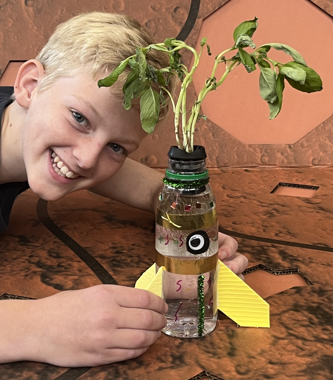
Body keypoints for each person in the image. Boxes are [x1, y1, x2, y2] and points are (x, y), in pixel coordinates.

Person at [0, 12, 248, 367]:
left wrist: (191, 232)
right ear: (29, 85)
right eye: (79, 118)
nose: (87, 160)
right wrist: (31, 326)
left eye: (116, 147)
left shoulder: (32, 133)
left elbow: (147, 188)